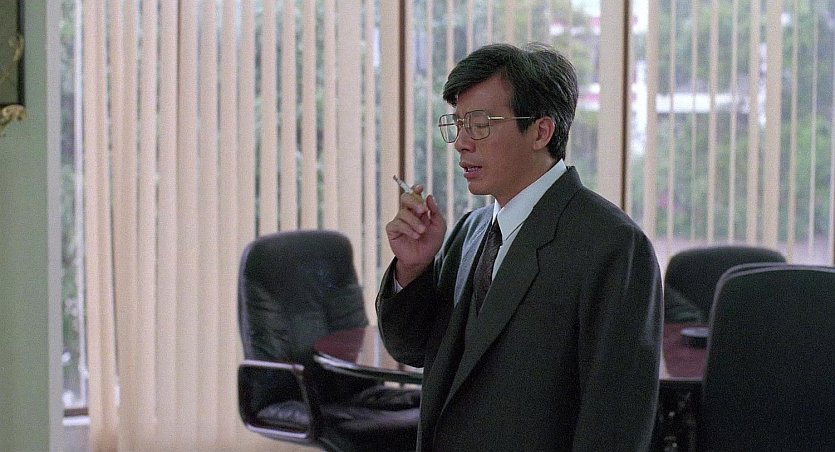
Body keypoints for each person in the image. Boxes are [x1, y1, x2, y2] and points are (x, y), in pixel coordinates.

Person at [377, 42, 663, 451]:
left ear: (541, 131)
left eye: (479, 124)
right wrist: (413, 269)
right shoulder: (468, 232)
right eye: (457, 124)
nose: (461, 143)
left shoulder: (612, 246)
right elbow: (409, 348)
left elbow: (614, 424)